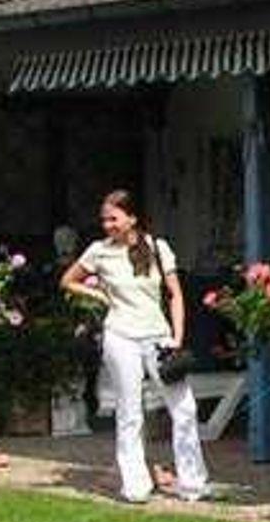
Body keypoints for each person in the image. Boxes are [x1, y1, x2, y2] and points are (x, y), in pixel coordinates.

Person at [61, 189, 210, 504]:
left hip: (158, 336)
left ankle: (193, 482)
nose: (108, 225)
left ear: (132, 218)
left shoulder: (157, 247)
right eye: (104, 220)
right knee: (129, 411)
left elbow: (175, 295)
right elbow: (68, 280)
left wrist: (177, 338)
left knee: (184, 408)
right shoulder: (98, 251)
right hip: (120, 335)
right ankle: (135, 485)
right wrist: (100, 295)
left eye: (113, 219)